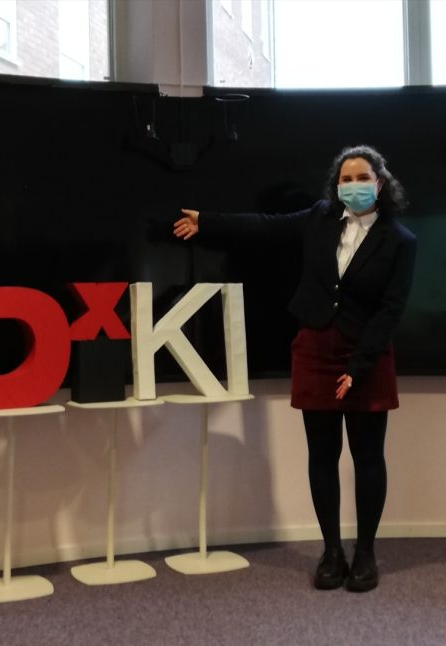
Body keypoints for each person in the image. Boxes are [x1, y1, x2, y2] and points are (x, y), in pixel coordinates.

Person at [173, 145, 416, 592]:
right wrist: (208, 221)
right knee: (322, 454)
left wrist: (358, 366)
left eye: (362, 178)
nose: (353, 186)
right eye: (345, 179)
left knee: (367, 456)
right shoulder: (320, 217)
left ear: (380, 183)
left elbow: (390, 310)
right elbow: (265, 226)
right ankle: (332, 552)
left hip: (367, 353)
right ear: (336, 185)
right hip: (316, 348)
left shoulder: (400, 240)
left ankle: (365, 553)